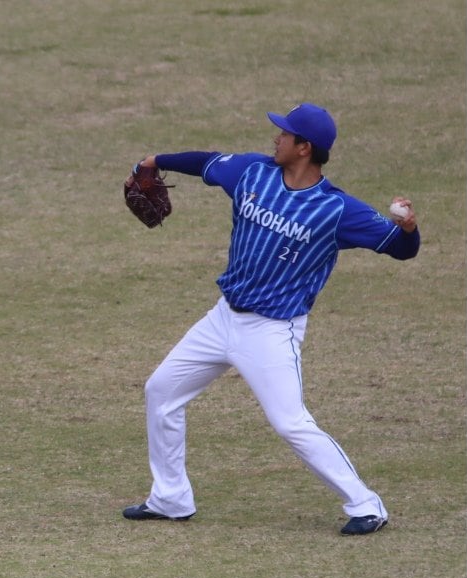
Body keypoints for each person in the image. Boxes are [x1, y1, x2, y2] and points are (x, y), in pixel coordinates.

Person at [122, 103, 420, 535]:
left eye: (284, 134)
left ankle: (366, 504)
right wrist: (154, 162)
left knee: (290, 422)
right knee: (161, 392)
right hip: (222, 318)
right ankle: (170, 498)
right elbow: (205, 162)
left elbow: (400, 249)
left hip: (272, 331)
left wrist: (409, 228)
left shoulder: (336, 210)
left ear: (304, 148)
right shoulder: (251, 173)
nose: (275, 138)